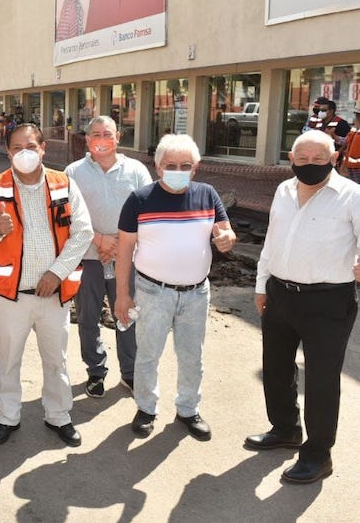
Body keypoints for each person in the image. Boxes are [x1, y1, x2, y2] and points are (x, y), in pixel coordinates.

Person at [246, 129, 360, 484]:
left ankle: (318, 454)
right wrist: (262, 286)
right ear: (291, 159)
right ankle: (285, 429)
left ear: (334, 160)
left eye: (319, 159)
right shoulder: (283, 190)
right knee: (276, 367)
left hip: (328, 300)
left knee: (323, 381)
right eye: (303, 159)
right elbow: (272, 241)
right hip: (280, 294)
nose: (311, 165)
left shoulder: (352, 196)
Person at [0, 123, 93, 447]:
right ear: (8, 152)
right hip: (10, 297)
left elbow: (83, 232)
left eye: (31, 147)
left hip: (54, 295)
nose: (24, 153)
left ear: (42, 149)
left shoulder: (64, 183)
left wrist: (56, 273)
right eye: (17, 148)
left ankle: (59, 416)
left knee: (57, 359)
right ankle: (7, 416)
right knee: (9, 358)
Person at [115, 134, 236, 442]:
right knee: (148, 354)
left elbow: (225, 232)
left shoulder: (207, 194)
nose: (178, 170)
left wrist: (227, 238)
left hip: (196, 293)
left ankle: (188, 410)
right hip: (153, 291)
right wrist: (122, 295)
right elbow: (124, 251)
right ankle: (145, 408)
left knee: (192, 356)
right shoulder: (139, 200)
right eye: (171, 165)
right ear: (157, 167)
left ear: (196, 168)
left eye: (186, 165)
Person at [65, 115, 152, 398]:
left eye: (107, 133)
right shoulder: (73, 172)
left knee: (126, 315)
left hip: (126, 257)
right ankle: (95, 371)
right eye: (95, 134)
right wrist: (99, 239)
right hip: (87, 256)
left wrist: (118, 243)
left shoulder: (136, 170)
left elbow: (147, 213)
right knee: (88, 317)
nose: (101, 139)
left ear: (118, 137)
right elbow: (65, 215)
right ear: (87, 139)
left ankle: (130, 373)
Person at [341, 105, 360, 183]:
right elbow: (347, 143)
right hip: (350, 166)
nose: (356, 116)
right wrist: (344, 163)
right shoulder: (355, 128)